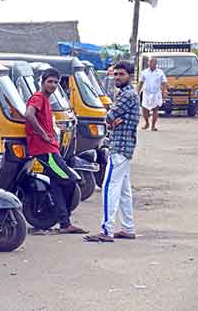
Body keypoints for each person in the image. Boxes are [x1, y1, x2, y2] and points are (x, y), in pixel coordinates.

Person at [24, 68, 88, 234]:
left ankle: (65, 223)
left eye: (56, 82)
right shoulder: (38, 97)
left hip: (51, 148)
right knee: (70, 179)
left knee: (57, 185)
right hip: (45, 150)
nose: (53, 85)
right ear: (43, 82)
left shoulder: (46, 100)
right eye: (50, 81)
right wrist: (43, 133)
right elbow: (29, 115)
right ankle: (62, 219)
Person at [84, 62, 140, 243]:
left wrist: (111, 120)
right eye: (115, 74)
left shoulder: (127, 95)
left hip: (120, 147)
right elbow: (111, 119)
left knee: (109, 187)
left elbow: (107, 117)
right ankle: (127, 228)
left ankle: (106, 230)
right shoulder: (127, 94)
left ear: (130, 75)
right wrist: (113, 120)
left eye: (121, 74)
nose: (117, 77)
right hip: (124, 146)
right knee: (123, 190)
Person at [137, 58, 169, 131]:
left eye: (154, 63)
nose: (152, 64)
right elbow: (140, 83)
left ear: (156, 64)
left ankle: (153, 126)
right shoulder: (144, 72)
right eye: (151, 63)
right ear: (149, 63)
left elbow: (164, 83)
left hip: (156, 93)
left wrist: (164, 92)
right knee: (144, 109)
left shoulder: (160, 72)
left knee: (155, 109)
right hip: (146, 93)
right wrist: (137, 92)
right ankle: (147, 123)